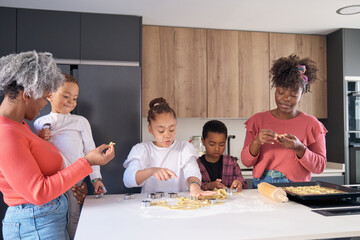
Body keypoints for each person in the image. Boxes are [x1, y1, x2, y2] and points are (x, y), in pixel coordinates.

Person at [0, 51, 115, 240]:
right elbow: (39, 192)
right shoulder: (6, 133)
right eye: (45, 97)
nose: (44, 105)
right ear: (28, 94)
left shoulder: (20, 126)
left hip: (46, 219)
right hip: (36, 223)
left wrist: (74, 187)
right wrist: (86, 162)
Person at [34, 73, 105, 239]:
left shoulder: (80, 122)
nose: (71, 102)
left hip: (75, 178)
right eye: (66, 96)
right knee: (55, 217)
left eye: (75, 98)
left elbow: (90, 150)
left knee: (74, 215)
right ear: (50, 95)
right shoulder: (40, 123)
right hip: (52, 180)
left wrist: (96, 178)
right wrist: (40, 137)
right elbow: (36, 152)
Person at [241, 54, 327, 188]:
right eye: (281, 92)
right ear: (275, 90)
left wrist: (299, 148)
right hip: (262, 186)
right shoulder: (257, 120)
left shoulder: (312, 124)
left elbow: (320, 166)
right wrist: (257, 141)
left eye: (293, 95)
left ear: (301, 94)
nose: (286, 98)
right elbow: (246, 162)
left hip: (297, 187)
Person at [123, 97, 214, 197]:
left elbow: (192, 170)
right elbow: (128, 180)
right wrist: (151, 171)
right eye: (161, 131)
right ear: (150, 129)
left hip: (178, 204)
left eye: (172, 129)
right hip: (150, 206)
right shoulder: (142, 149)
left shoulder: (184, 147)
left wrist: (195, 186)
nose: (167, 135)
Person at [197, 120, 248, 191]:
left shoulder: (231, 162)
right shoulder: (197, 164)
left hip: (230, 201)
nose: (217, 149)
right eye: (212, 144)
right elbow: (190, 187)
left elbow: (243, 182)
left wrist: (239, 183)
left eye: (221, 144)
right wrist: (208, 186)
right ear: (203, 141)